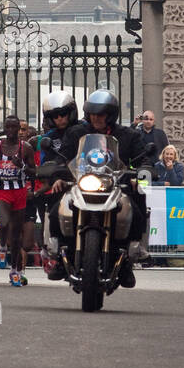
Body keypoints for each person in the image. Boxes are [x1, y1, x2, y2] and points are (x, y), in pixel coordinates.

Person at [63, 89, 155, 288]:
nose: (97, 118)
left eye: (101, 114)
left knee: (137, 208)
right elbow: (63, 157)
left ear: (111, 115)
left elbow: (144, 159)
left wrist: (142, 172)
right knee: (57, 209)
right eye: (93, 114)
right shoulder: (77, 133)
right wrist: (55, 171)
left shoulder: (128, 135)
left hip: (116, 187)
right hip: (82, 185)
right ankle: (60, 256)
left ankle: (130, 259)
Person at [36, 91, 86, 281]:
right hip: (64, 185)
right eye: (55, 116)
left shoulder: (85, 130)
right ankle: (59, 255)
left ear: (71, 112)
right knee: (56, 212)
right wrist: (53, 175)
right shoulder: (49, 138)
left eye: (63, 114)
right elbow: (46, 162)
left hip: (89, 180)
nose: (60, 119)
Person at [0, 114, 34, 285]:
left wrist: (23, 166)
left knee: (17, 235)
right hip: (2, 191)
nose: (12, 131)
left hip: (19, 192)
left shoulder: (26, 148)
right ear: (4, 128)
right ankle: (2, 244)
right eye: (9, 127)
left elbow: (33, 171)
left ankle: (15, 270)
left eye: (16, 127)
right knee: (4, 223)